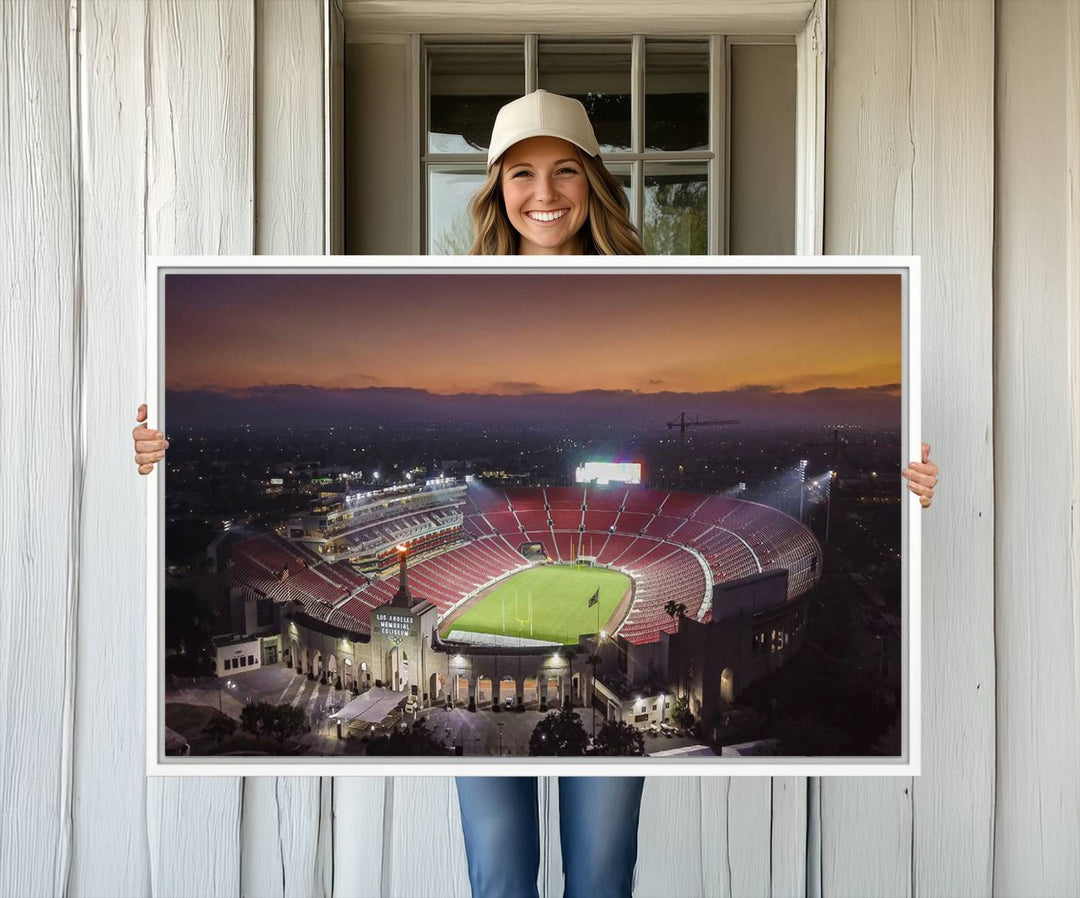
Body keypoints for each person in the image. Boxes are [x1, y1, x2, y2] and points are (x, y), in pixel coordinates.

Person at [132, 90, 940, 898]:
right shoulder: (452, 292)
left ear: (594, 182)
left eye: (564, 172)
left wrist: (913, 481)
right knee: (499, 871)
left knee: (600, 870)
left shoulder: (656, 287)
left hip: (594, 684)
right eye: (521, 173)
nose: (544, 194)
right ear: (495, 188)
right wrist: (154, 454)